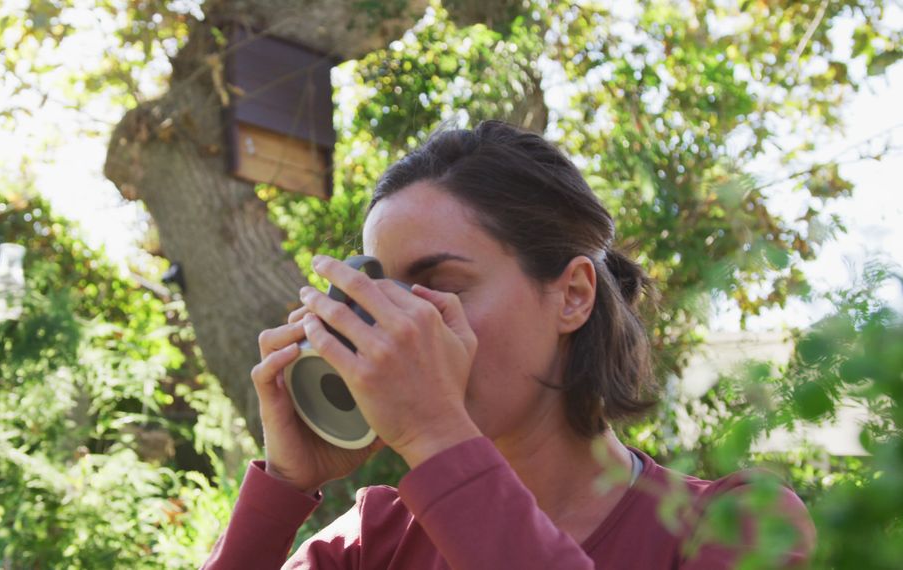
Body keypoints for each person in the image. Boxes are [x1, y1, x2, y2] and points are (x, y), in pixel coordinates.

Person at [202, 120, 814, 569]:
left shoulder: (736, 524)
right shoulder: (374, 539)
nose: (402, 328)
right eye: (385, 295)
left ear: (573, 294)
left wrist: (437, 434)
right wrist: (283, 483)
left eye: (439, 286)